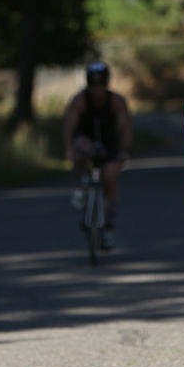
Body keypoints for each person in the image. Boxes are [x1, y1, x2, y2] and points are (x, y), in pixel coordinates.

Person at [63, 61, 132, 249]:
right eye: (93, 85)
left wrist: (124, 150)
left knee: (110, 178)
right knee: (81, 148)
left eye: (100, 85)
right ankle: (80, 185)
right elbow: (70, 126)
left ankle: (108, 227)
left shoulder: (116, 102)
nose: (97, 90)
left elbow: (124, 127)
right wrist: (69, 149)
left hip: (110, 145)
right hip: (86, 140)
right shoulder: (80, 101)